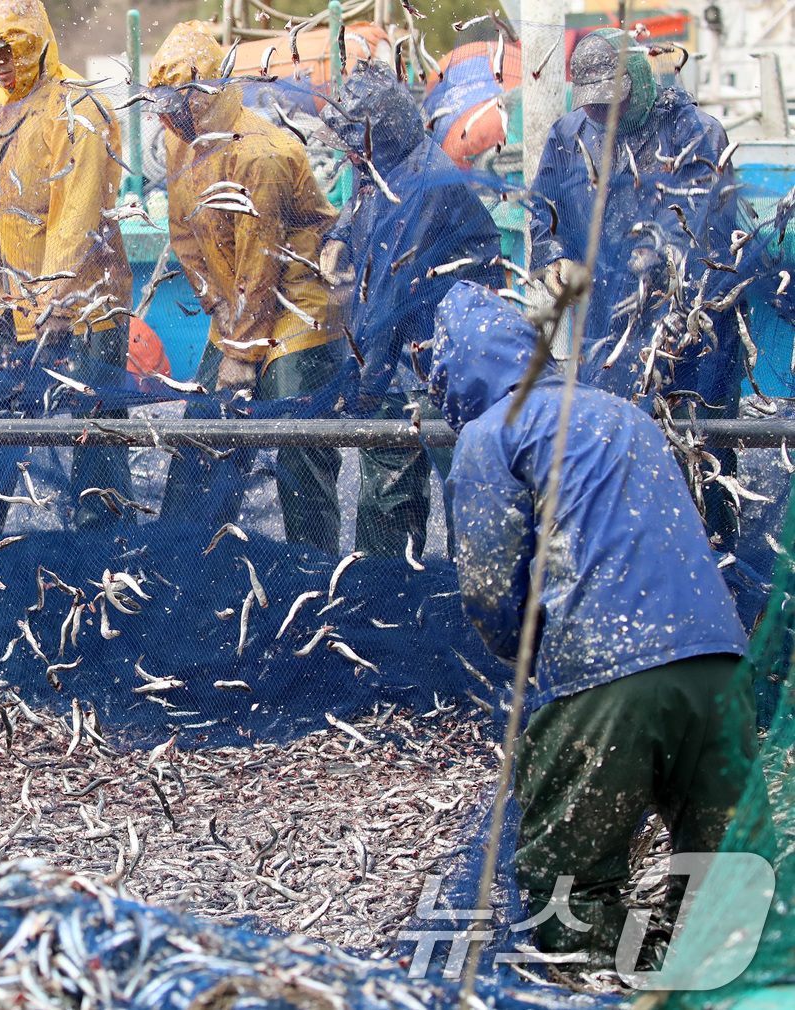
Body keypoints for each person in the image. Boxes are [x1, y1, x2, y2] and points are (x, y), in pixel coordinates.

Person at [429, 280, 762, 964]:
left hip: (605, 674)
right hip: (720, 666)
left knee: (570, 890)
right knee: (734, 883)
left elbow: (491, 586)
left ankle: (591, 982)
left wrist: (526, 662)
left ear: (456, 371)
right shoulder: (622, 412)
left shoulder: (493, 433)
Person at [530, 27, 742, 545]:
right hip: (611, 332)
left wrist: (665, 250)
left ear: (639, 81)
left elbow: (713, 220)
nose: (603, 116)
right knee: (618, 454)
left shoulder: (699, 133)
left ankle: (721, 577)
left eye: (614, 103)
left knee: (703, 459)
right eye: (593, 106)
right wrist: (555, 258)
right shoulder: (568, 135)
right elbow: (544, 211)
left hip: (697, 337)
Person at [150, 21, 345, 550]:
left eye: (179, 101)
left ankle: (317, 576)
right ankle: (185, 566)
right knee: (205, 439)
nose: (167, 113)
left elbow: (262, 260)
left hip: (298, 305)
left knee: (296, 446)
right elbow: (184, 235)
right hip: (237, 306)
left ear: (205, 94)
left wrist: (241, 351)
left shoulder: (259, 153)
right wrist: (220, 313)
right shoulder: (181, 142)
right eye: (161, 102)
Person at [0, 0, 134, 534]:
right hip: (10, 299)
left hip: (83, 304)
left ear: (31, 44)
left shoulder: (80, 108)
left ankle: (102, 543)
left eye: (6, 52)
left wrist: (55, 294)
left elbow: (76, 213)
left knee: (92, 428)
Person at [318, 62, 502, 559]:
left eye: (358, 142)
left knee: (466, 477)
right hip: (404, 351)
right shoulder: (381, 163)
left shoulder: (426, 185)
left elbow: (388, 298)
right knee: (388, 478)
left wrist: (362, 388)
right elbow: (361, 206)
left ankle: (482, 594)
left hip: (456, 353)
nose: (353, 154)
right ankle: (386, 588)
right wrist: (337, 238)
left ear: (386, 130)